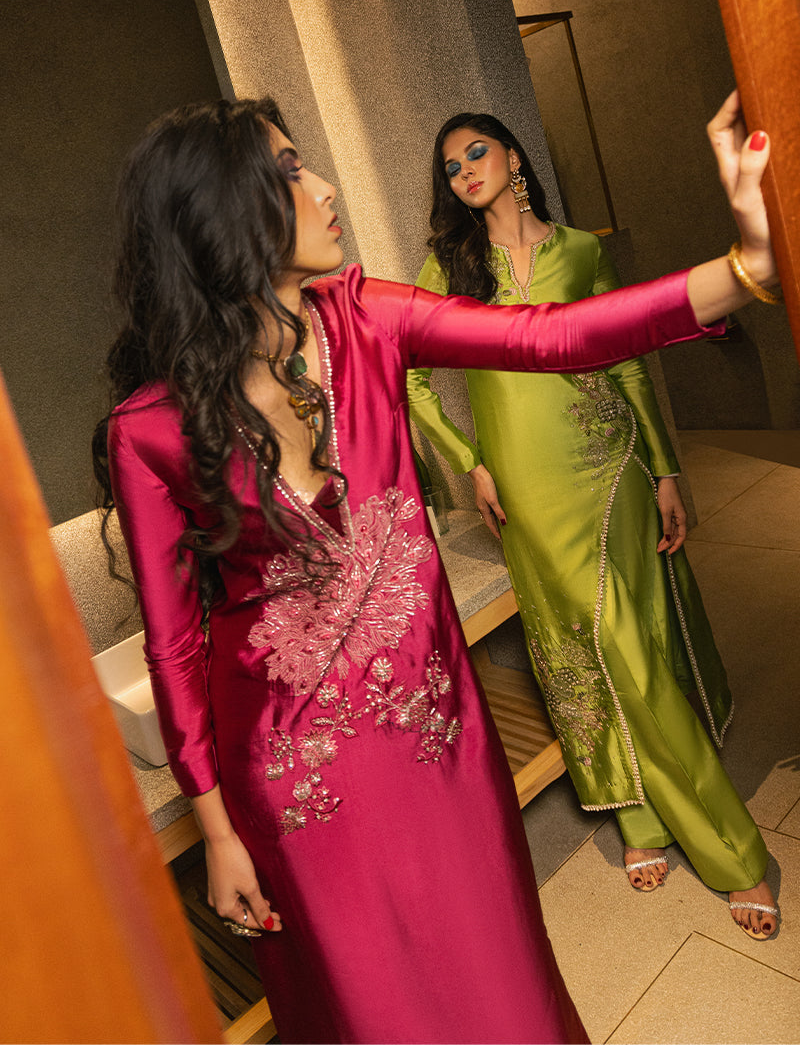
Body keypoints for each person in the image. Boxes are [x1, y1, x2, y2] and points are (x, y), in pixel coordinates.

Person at [94, 92, 776, 1045]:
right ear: (225, 216)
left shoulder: (367, 321)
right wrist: (215, 830)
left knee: (503, 988)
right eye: (290, 170)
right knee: (373, 1013)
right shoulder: (150, 430)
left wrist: (747, 270)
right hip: (296, 782)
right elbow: (175, 649)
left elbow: (554, 334)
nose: (325, 187)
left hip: (436, 740)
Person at [407, 91, 780, 947]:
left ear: (514, 158)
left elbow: (629, 361)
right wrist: (470, 462)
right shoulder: (451, 269)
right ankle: (656, 819)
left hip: (610, 467)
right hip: (525, 494)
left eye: (476, 153)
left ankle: (707, 839)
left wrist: (664, 467)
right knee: (585, 648)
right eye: (451, 167)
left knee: (634, 646)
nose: (464, 172)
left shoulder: (580, 251)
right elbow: (411, 378)